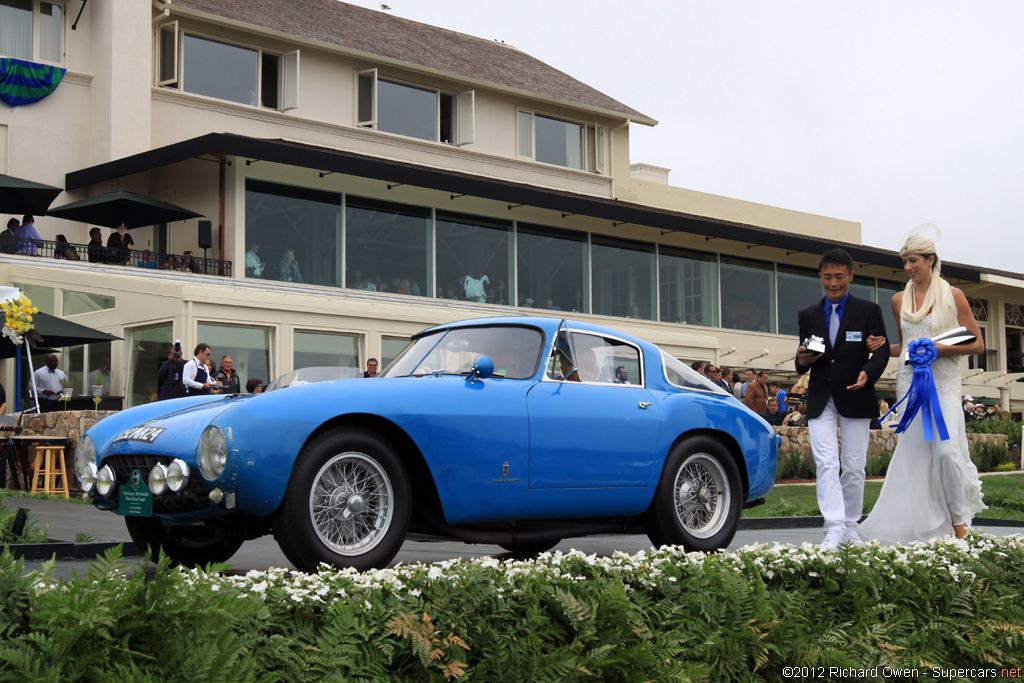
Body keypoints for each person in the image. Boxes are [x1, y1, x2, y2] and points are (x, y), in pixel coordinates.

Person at [860, 227, 986, 544]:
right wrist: (877, 347)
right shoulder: (898, 300)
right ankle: (927, 528)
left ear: (931, 260)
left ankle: (960, 523)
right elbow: (905, 347)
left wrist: (937, 349)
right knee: (916, 456)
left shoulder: (953, 295)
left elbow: (977, 344)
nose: (908, 267)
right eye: (904, 262)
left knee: (946, 453)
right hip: (909, 386)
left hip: (942, 384)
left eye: (913, 260)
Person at [796, 248, 889, 550]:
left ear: (850, 275)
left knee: (853, 465)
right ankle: (833, 526)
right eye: (827, 277)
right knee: (825, 462)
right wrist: (801, 359)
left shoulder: (868, 310)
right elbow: (803, 359)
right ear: (820, 277)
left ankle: (850, 525)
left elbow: (882, 349)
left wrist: (869, 372)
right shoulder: (808, 315)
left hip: (856, 395)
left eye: (839, 277)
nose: (833, 283)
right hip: (822, 397)